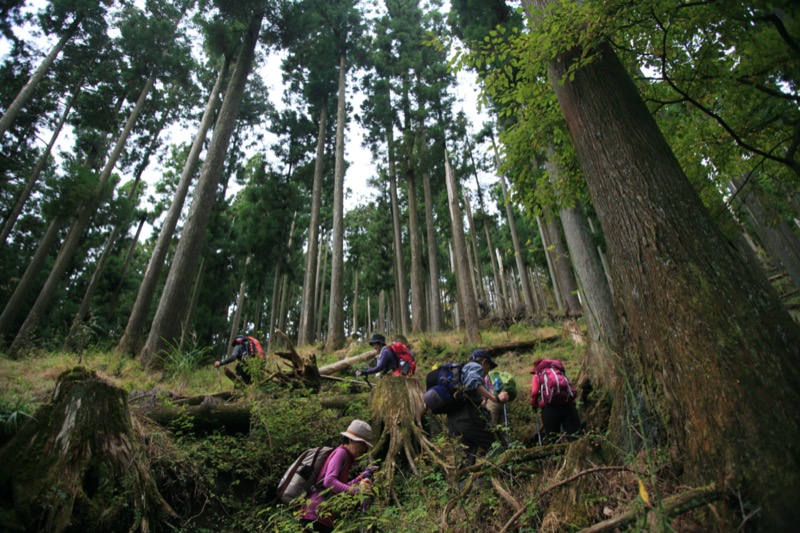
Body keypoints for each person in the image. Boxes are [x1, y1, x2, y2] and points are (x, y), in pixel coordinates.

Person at [300, 420, 376, 532]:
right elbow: (329, 481)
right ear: (351, 440)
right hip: (315, 516)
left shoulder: (346, 457)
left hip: (322, 517)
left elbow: (339, 486)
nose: (364, 448)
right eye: (362, 443)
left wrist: (360, 478)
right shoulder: (341, 453)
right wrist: (357, 491)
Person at [447, 349, 510, 468]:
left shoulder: (462, 371)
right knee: (499, 446)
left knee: (466, 460)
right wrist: (495, 398)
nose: (487, 372)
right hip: (469, 419)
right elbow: (473, 382)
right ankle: (500, 477)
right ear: (484, 362)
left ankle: (465, 485)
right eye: (489, 368)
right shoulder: (475, 366)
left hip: (453, 422)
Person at [530, 358, 581, 442]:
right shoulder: (559, 372)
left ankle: (556, 454)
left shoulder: (537, 375)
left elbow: (534, 392)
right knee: (575, 438)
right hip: (568, 406)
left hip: (549, 409)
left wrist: (534, 404)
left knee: (552, 440)